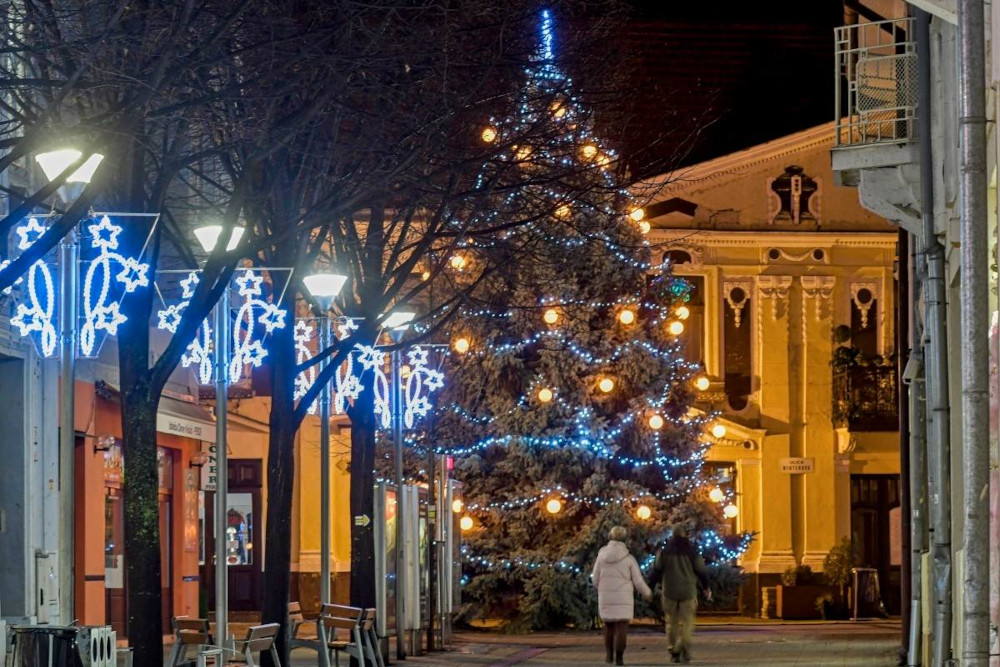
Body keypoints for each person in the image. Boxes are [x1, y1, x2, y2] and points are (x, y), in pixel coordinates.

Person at [592, 526, 652, 666]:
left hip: (605, 596)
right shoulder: (629, 558)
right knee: (621, 628)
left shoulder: (601, 557)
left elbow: (595, 578)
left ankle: (608, 654)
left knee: (609, 626)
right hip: (624, 598)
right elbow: (638, 580)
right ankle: (619, 658)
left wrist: (600, 589)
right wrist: (647, 593)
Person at [651, 525, 711, 663]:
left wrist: (651, 587)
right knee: (687, 623)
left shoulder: (664, 552)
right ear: (685, 535)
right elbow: (701, 571)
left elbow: (656, 571)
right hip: (688, 591)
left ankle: (674, 651)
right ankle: (683, 647)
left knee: (671, 623)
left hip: (669, 591)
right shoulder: (692, 552)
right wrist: (706, 587)